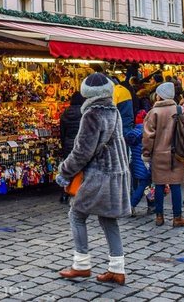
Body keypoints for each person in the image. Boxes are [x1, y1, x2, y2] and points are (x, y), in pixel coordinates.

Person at [55, 72, 130, 284]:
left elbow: (82, 151)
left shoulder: (92, 114)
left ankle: (81, 265)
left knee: (76, 214)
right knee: (108, 218)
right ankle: (117, 269)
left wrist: (64, 172)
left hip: (99, 175)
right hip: (116, 173)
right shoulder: (113, 110)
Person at [143, 81, 184, 228]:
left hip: (158, 154)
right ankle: (177, 217)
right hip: (177, 153)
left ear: (160, 95)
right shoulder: (179, 110)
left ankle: (159, 216)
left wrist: (146, 154)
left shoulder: (154, 112)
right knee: (175, 185)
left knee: (159, 185)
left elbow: (148, 136)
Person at [58, 92, 85, 205]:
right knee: (81, 169)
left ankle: (65, 193)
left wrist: (64, 144)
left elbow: (62, 132)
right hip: (80, 143)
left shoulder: (65, 113)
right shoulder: (84, 112)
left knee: (68, 169)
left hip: (68, 144)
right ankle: (79, 192)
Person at [126, 110, 151, 214]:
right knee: (145, 185)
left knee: (142, 185)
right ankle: (132, 204)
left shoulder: (132, 133)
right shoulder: (149, 132)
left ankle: (151, 205)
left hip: (135, 164)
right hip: (146, 164)